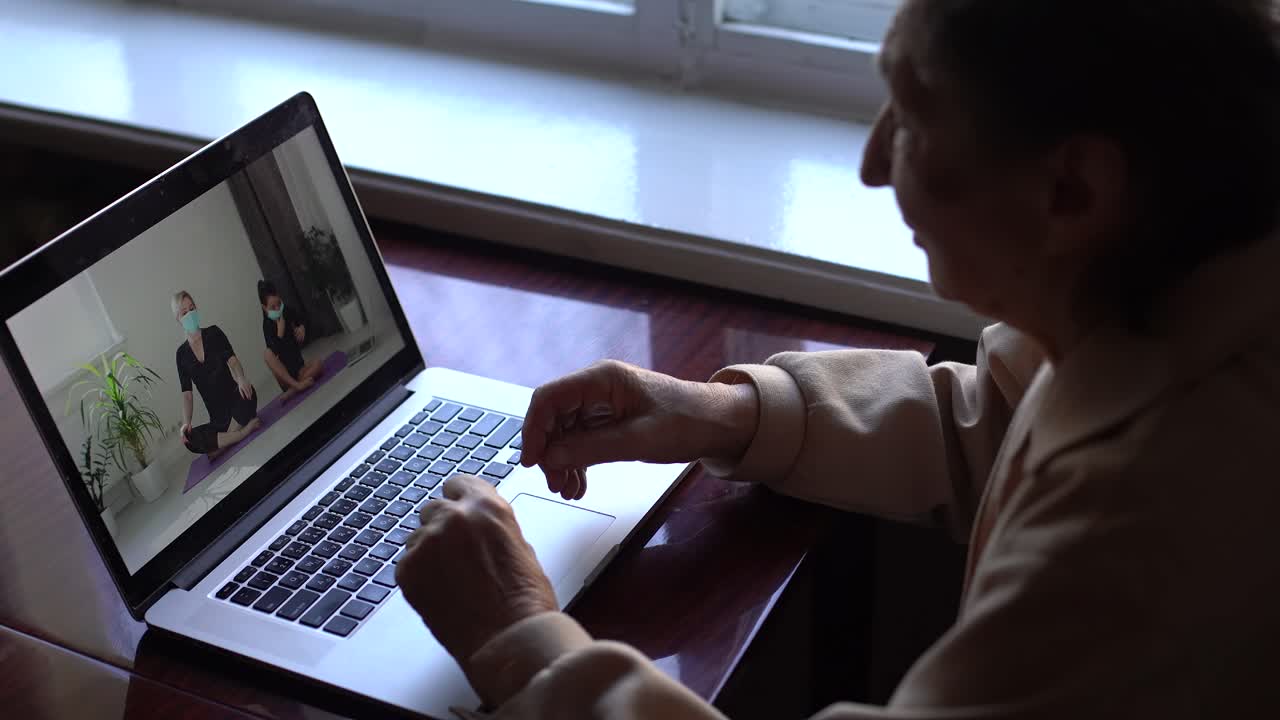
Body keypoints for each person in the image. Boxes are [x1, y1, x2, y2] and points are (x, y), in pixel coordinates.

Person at [393, 1, 1280, 717]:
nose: (870, 162)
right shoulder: (1176, 296)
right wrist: (732, 412)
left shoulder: (1155, 521)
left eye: (914, 113)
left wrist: (521, 641)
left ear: (1074, 189)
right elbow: (1010, 423)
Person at [173, 291, 261, 458]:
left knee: (250, 392)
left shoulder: (214, 333)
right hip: (217, 418)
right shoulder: (181, 354)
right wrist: (186, 423)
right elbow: (187, 395)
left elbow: (233, 361)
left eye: (192, 309)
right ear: (178, 318)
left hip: (236, 401)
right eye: (184, 312)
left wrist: (241, 379)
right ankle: (242, 432)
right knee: (189, 438)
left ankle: (222, 443)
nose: (190, 314)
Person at [257, 279, 322, 400]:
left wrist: (302, 327)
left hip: (300, 370)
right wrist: (279, 334)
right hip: (286, 378)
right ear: (264, 308)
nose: (277, 309)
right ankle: (296, 386)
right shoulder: (267, 326)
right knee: (267, 354)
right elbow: (275, 355)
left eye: (279, 303)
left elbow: (303, 318)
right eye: (272, 307)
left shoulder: (285, 310)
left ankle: (294, 389)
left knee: (318, 363)